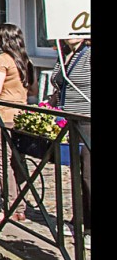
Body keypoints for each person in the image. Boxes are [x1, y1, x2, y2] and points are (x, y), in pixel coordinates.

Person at [0, 23, 37, 222]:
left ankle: (12, 206)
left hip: (4, 115)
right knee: (18, 161)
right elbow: (32, 91)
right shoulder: (27, 61)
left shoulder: (2, 59)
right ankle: (20, 205)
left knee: (2, 162)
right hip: (22, 116)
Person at [51, 38, 90, 246]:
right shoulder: (63, 54)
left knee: (89, 175)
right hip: (68, 121)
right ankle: (79, 219)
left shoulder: (89, 53)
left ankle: (90, 227)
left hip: (87, 120)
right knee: (75, 173)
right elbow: (58, 83)